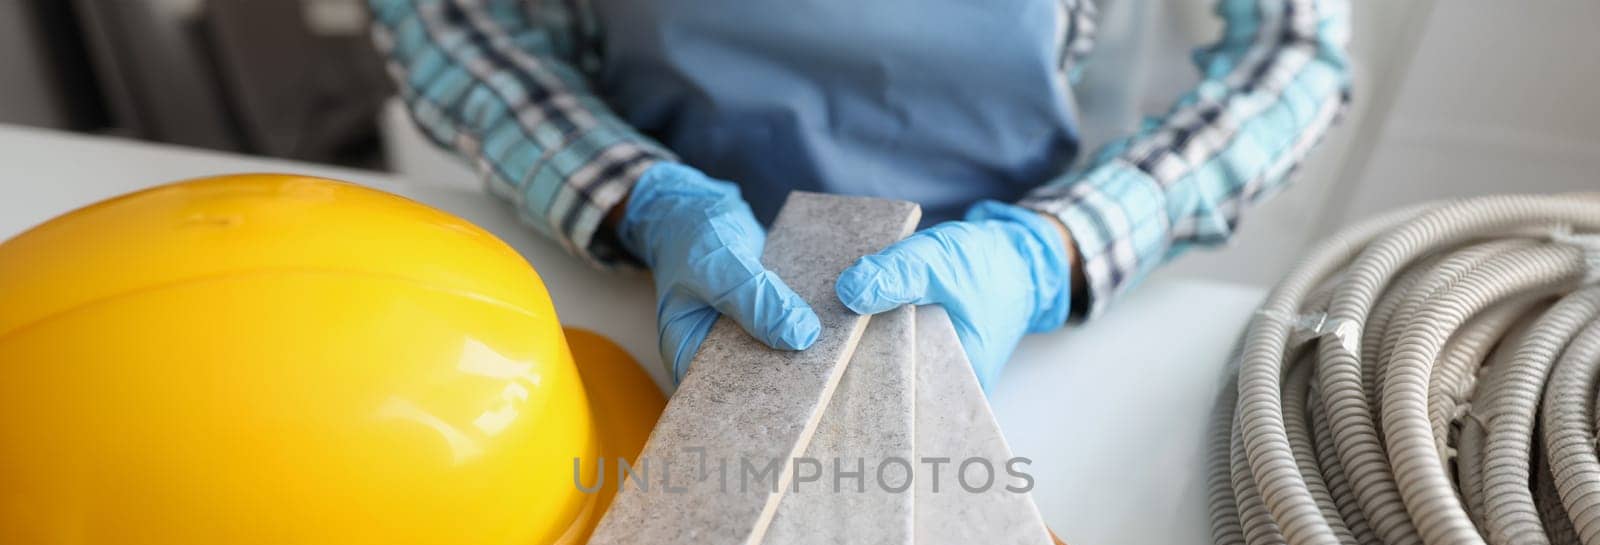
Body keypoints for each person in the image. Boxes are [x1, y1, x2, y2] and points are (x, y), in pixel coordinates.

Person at [369, 0, 1350, 389]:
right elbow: (446, 14)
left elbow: (1293, 49)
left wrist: (1051, 252)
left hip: (1006, 298)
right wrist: (633, 194)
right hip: (644, 275)